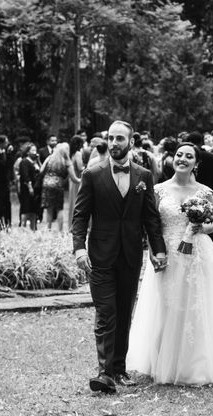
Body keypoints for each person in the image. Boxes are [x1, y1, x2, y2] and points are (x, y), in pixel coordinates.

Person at [127, 142, 213, 385]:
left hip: (195, 254)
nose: (182, 159)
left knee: (194, 305)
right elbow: (151, 223)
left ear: (197, 163)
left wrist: (198, 225)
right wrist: (155, 251)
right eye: (179, 155)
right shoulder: (159, 190)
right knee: (166, 304)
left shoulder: (204, 191)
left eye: (189, 156)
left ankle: (194, 364)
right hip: (167, 252)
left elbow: (212, 225)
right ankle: (163, 360)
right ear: (172, 159)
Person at [72, 120, 167, 394]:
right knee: (106, 312)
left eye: (120, 139)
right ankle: (104, 373)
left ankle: (119, 369)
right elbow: (80, 216)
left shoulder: (144, 176)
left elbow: (151, 217)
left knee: (124, 312)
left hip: (130, 255)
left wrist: (157, 248)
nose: (114, 143)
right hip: (99, 256)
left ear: (131, 142)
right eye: (111, 138)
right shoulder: (92, 174)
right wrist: (79, 248)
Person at [41, 142, 80, 231]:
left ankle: (48, 229)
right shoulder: (66, 161)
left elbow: (41, 170)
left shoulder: (49, 158)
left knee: (49, 208)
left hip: (46, 184)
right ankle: (60, 230)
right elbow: (74, 178)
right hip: (58, 185)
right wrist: (82, 180)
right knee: (59, 208)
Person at [18, 142, 40, 230]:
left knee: (33, 210)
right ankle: (23, 227)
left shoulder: (34, 162)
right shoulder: (24, 162)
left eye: (35, 150)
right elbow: (25, 176)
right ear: (27, 152)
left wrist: (38, 162)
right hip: (27, 189)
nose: (35, 152)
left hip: (35, 188)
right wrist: (30, 186)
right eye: (33, 150)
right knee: (26, 208)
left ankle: (33, 227)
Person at [67, 135, 86, 230]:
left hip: (72, 180)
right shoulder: (78, 153)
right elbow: (80, 167)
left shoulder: (71, 153)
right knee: (77, 202)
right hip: (78, 179)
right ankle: (75, 226)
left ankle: (71, 225)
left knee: (72, 203)